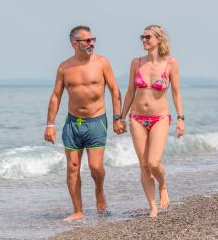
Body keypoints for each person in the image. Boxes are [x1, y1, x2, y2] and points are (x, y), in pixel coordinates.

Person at [44, 25, 125, 221]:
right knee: (72, 167)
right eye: (87, 41)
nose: (92, 43)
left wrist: (117, 118)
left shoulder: (101, 63)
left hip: (97, 120)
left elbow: (115, 91)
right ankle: (78, 211)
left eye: (93, 39)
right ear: (75, 43)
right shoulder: (64, 67)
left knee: (95, 167)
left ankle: (99, 189)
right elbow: (56, 96)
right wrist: (50, 124)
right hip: (73, 122)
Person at [121, 24, 185, 218]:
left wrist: (180, 118)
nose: (144, 40)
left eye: (148, 37)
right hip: (137, 118)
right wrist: (120, 118)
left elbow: (175, 93)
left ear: (158, 39)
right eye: (142, 37)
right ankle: (152, 207)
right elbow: (130, 92)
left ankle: (163, 184)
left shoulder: (171, 63)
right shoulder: (136, 63)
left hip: (160, 117)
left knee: (153, 162)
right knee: (143, 165)